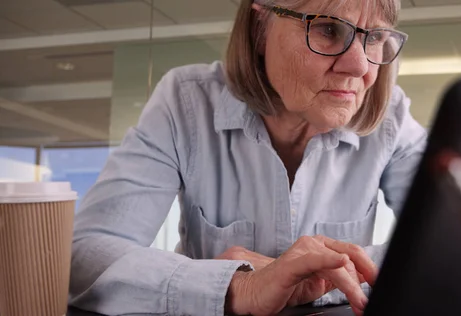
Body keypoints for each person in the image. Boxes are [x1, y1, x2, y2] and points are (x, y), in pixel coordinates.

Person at [68, 0, 427, 315]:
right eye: (327, 28)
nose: (359, 66)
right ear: (260, 29)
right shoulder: (186, 103)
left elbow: (458, 245)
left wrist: (309, 282)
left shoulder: (391, 117)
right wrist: (239, 287)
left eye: (375, 37)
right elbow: (83, 257)